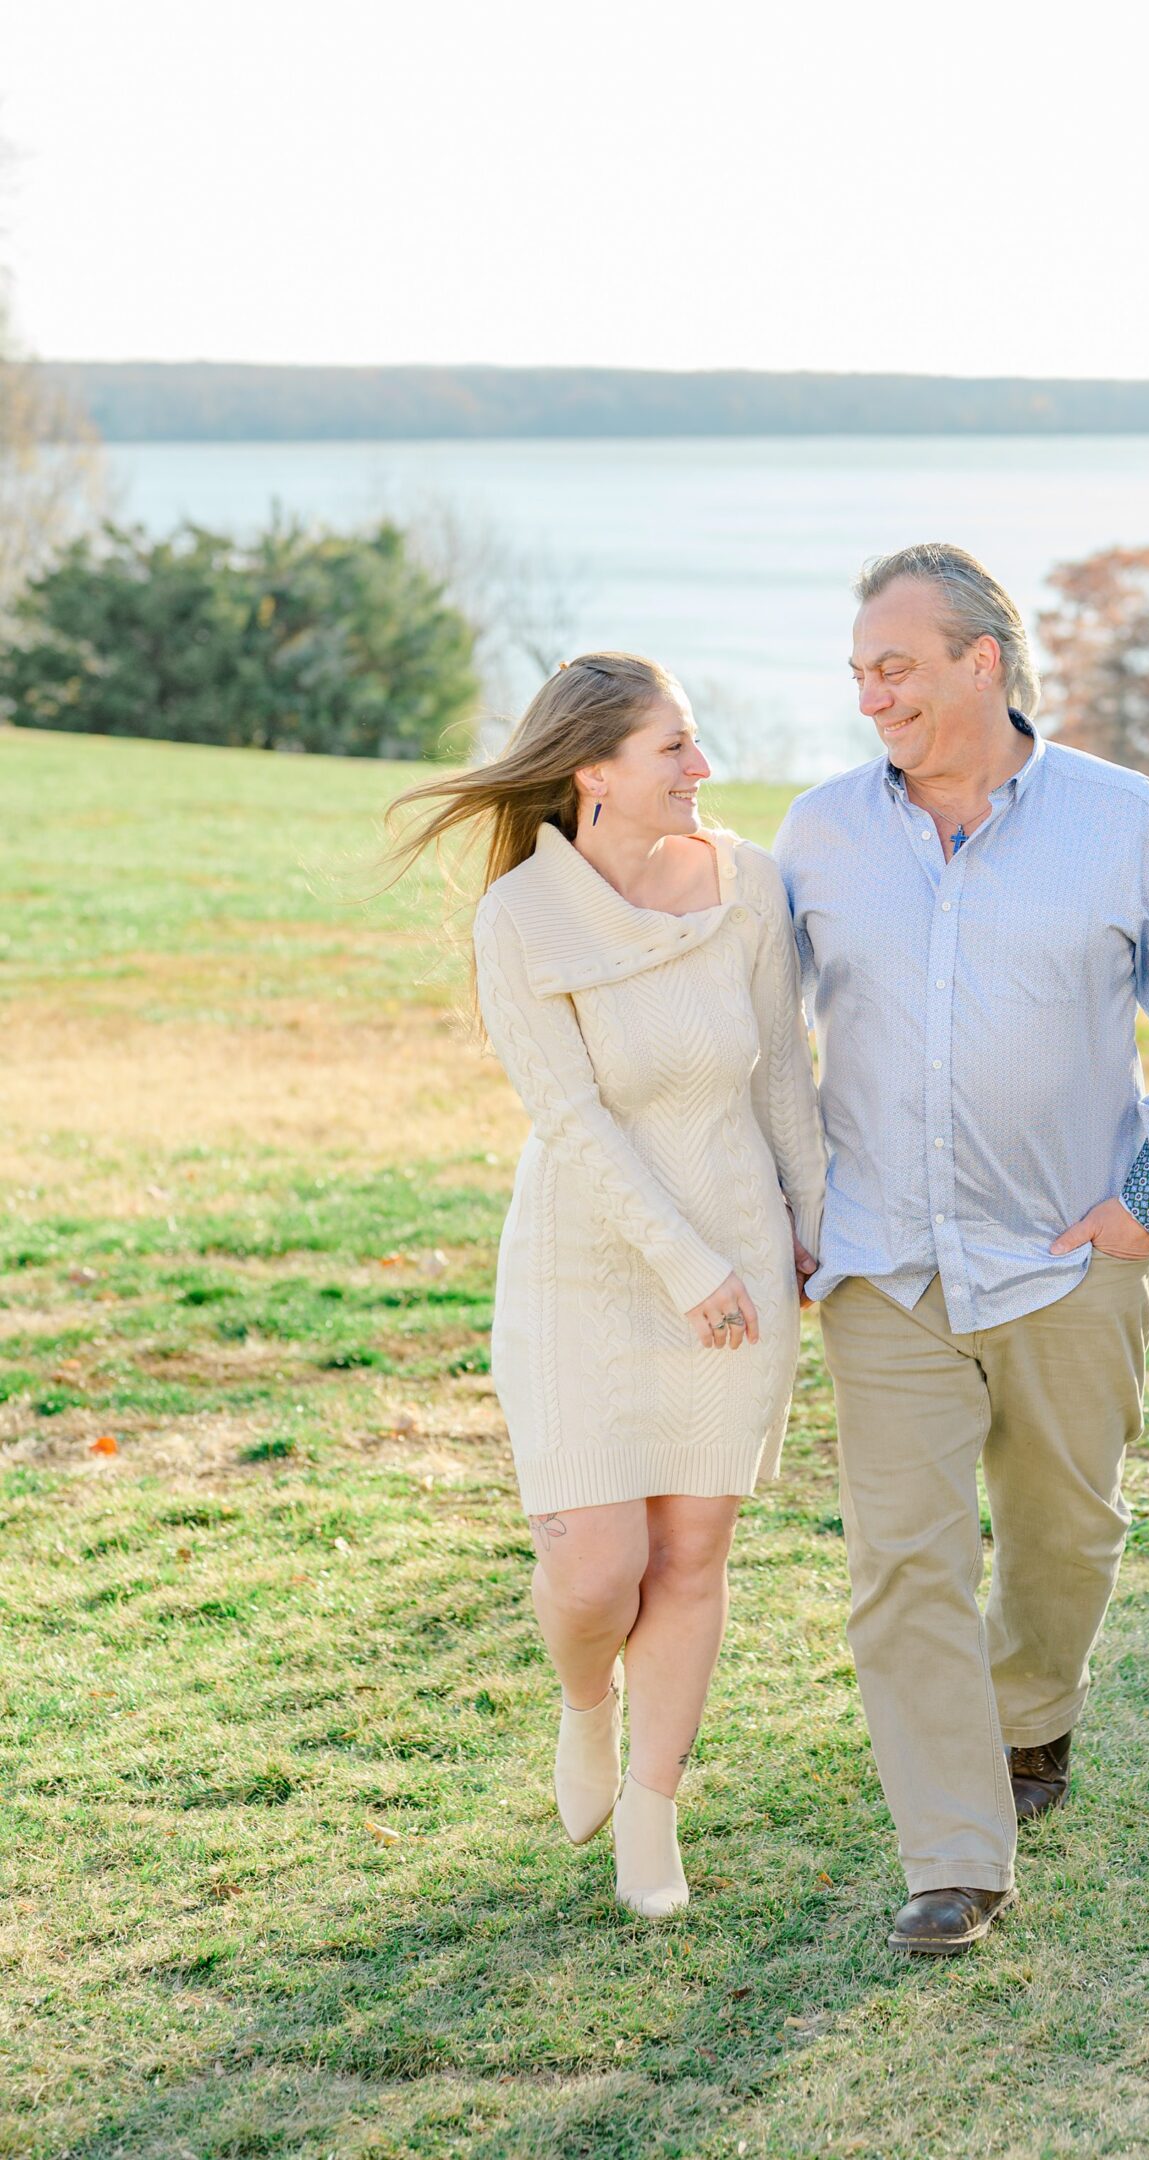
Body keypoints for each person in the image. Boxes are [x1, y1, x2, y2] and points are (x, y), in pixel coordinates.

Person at [775, 544, 1149, 1956]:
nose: (870, 696)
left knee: (1063, 1533)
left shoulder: (1125, 821)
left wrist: (1140, 1207)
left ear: (984, 660)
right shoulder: (817, 834)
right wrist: (791, 1213)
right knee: (902, 1565)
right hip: (882, 1267)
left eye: (895, 666)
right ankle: (954, 1856)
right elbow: (752, 1041)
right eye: (858, 670)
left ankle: (1031, 1714)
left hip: (1066, 1259)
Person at [391, 653, 824, 1919]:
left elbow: (783, 1079)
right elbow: (569, 1116)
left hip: (738, 1250)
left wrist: (805, 1228)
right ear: (593, 773)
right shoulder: (519, 920)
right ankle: (587, 1702)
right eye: (675, 748)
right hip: (587, 1262)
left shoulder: (748, 884)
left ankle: (652, 1808)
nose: (703, 769)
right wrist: (685, 1267)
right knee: (595, 1571)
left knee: (690, 1554)